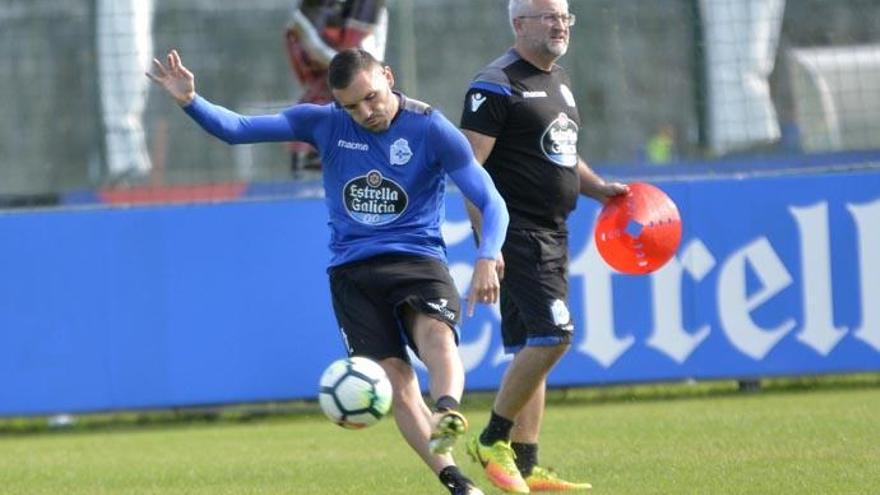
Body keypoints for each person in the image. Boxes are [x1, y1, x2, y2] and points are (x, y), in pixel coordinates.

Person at [147, 48, 508, 495]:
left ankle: (448, 410)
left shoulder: (431, 128)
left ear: (388, 77)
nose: (365, 112)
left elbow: (491, 201)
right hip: (352, 273)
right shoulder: (323, 122)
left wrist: (488, 254)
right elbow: (236, 130)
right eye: (351, 106)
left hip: (416, 260)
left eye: (371, 98)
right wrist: (190, 101)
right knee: (395, 382)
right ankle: (455, 480)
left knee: (436, 334)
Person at [459, 0, 628, 492]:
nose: (561, 25)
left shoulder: (558, 82)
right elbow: (470, 171)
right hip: (518, 232)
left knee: (530, 345)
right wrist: (487, 245)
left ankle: (527, 469)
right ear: (519, 24)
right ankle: (492, 438)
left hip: (552, 232)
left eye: (565, 17)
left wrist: (598, 189)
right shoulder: (495, 83)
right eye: (549, 16)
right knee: (555, 335)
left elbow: (562, 154)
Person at [284, 0, 388, 174]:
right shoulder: (309, 11)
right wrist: (346, 64)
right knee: (327, 92)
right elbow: (309, 40)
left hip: (357, 63)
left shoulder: (371, 6)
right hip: (324, 66)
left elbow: (375, 41)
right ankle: (311, 154)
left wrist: (365, 66)